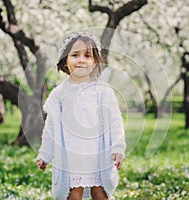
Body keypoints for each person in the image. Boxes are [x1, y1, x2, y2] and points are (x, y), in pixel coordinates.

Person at [36, 32, 126, 200]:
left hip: (98, 155)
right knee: (73, 194)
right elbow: (51, 128)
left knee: (100, 193)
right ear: (65, 60)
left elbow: (115, 121)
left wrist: (117, 148)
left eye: (87, 55)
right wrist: (45, 154)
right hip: (72, 157)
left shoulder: (103, 92)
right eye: (75, 55)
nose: (81, 60)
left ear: (95, 61)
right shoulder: (59, 94)